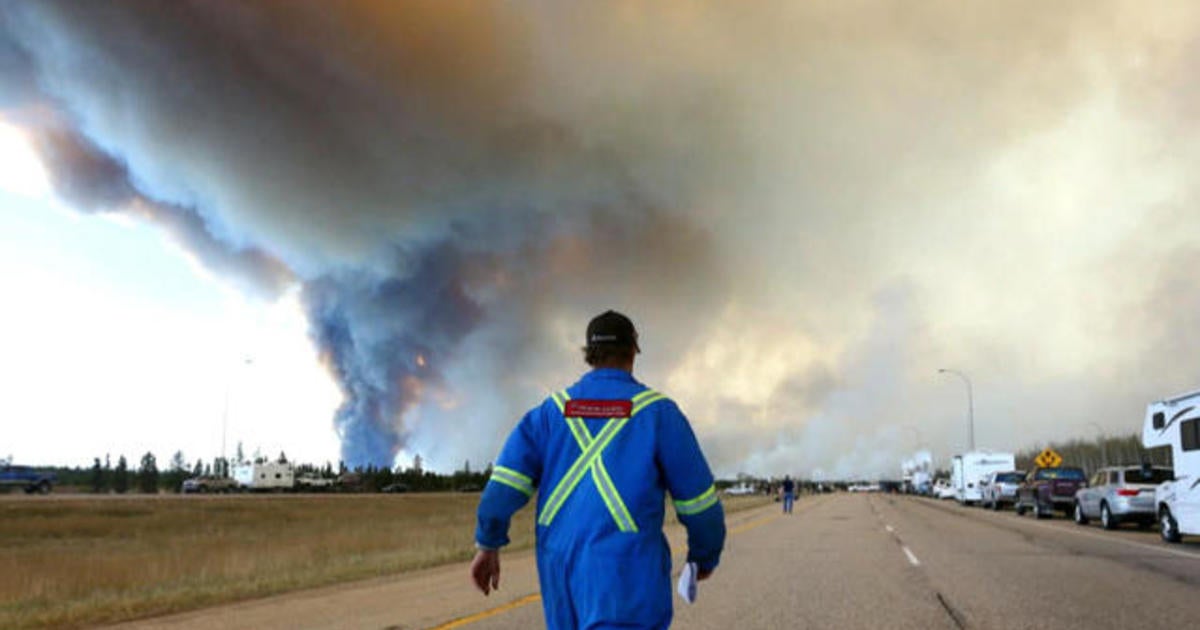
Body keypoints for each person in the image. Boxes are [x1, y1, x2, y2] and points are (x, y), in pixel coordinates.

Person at [471, 310, 726, 630]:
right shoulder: (659, 413)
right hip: (628, 574)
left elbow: (502, 488)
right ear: (633, 351)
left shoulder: (548, 414)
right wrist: (704, 555)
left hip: (559, 571)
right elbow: (699, 501)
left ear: (588, 355)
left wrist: (488, 543)